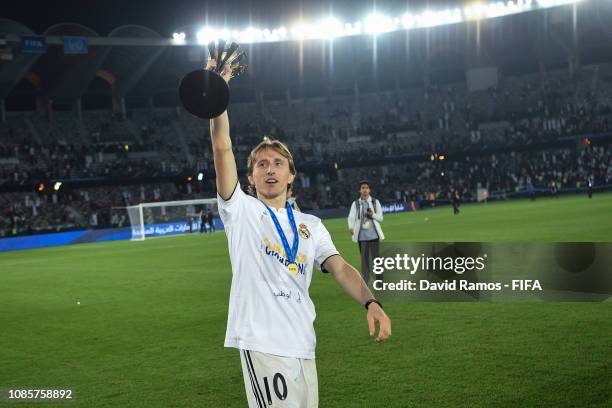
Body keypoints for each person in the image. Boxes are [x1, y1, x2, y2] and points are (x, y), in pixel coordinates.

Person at [207, 58, 391, 408]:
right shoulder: (241, 210)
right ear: (251, 177)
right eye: (261, 164)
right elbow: (221, 146)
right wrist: (219, 92)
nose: (270, 169)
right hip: (263, 344)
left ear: (291, 175)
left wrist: (371, 301)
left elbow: (340, 268)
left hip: (303, 344)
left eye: (278, 163)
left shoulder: (312, 226)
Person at [347, 180, 385, 284]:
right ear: (359, 190)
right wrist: (351, 227)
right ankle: (366, 281)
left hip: (374, 236)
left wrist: (372, 215)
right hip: (361, 237)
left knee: (376, 259)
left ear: (370, 190)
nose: (365, 190)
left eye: (367, 188)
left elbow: (381, 218)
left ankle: (380, 281)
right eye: (363, 188)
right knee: (365, 260)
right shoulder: (356, 204)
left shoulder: (375, 202)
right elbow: (351, 217)